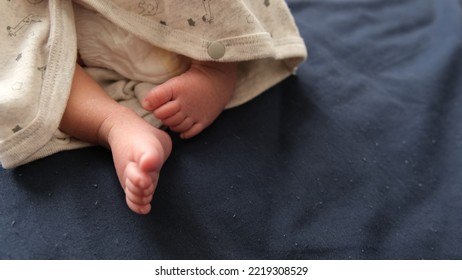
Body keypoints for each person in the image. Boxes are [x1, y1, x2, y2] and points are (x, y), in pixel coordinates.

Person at [0, 0, 307, 214]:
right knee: (31, 60)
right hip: (69, 39)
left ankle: (215, 68)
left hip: (186, 30)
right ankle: (114, 123)